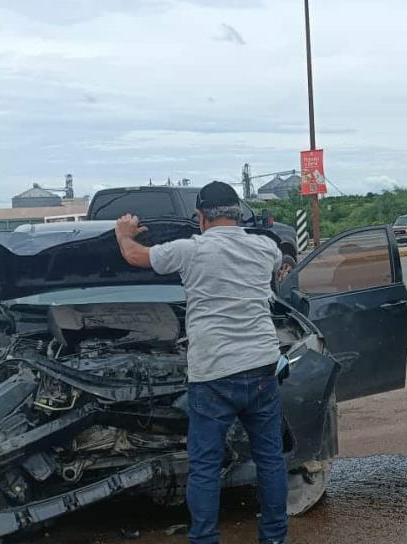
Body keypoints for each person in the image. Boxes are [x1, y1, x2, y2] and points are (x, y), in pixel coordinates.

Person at [114, 181, 287, 544]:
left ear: (201, 217)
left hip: (213, 373)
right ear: (238, 213)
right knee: (270, 459)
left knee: (205, 467)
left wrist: (122, 232)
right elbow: (274, 262)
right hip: (261, 368)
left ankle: (205, 539)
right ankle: (274, 538)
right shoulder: (265, 247)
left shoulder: (190, 250)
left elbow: (134, 256)